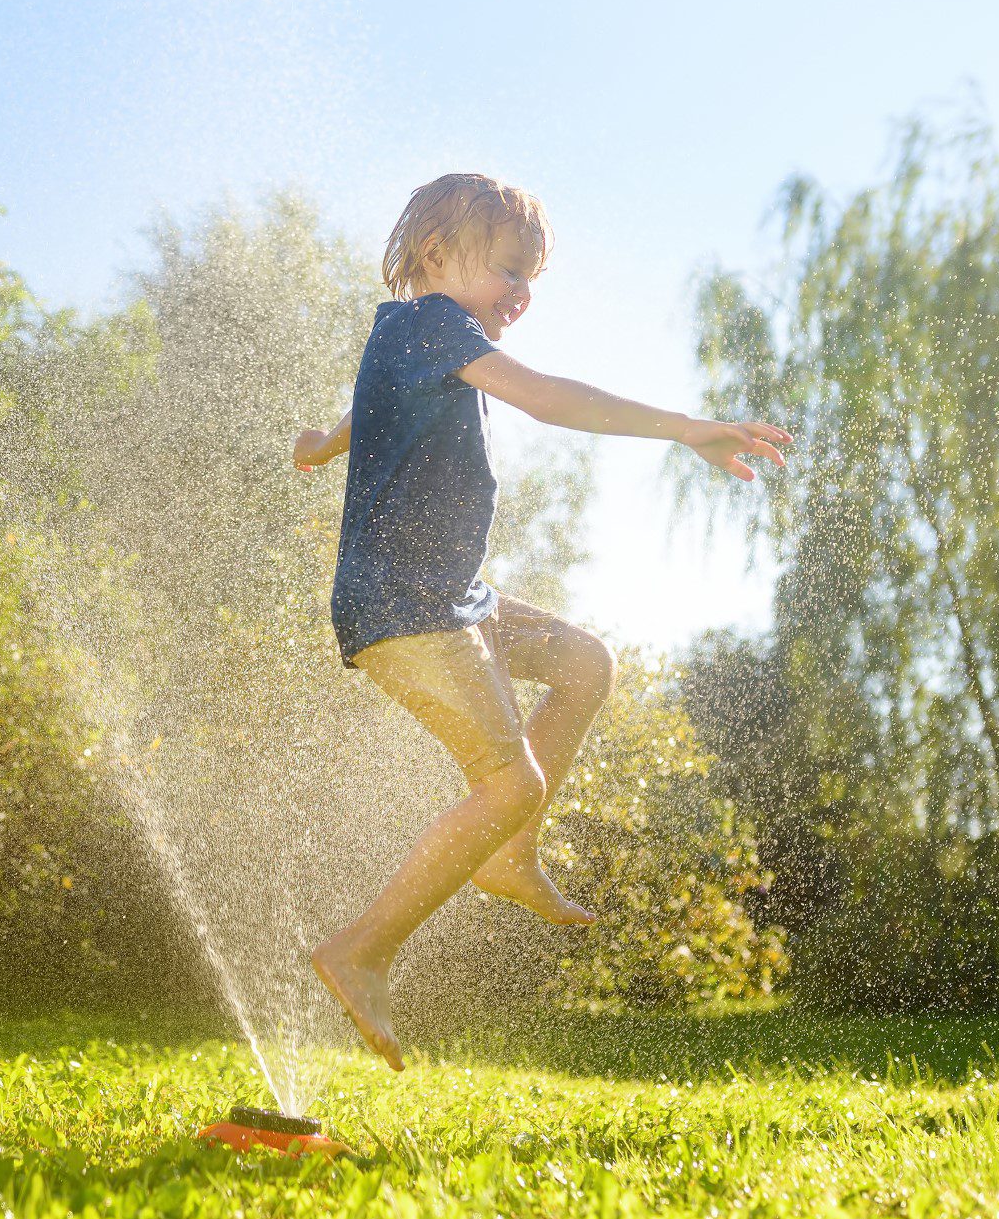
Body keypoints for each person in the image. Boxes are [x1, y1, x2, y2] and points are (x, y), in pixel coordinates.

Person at [292, 173, 792, 1070]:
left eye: (531, 280)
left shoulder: (412, 338)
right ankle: (361, 949)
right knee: (509, 780)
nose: (520, 294)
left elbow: (360, 412)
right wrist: (683, 427)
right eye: (509, 271)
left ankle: (508, 854)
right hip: (403, 602)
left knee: (583, 663)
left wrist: (321, 443)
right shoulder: (434, 324)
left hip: (451, 593)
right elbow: (552, 398)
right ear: (437, 255)